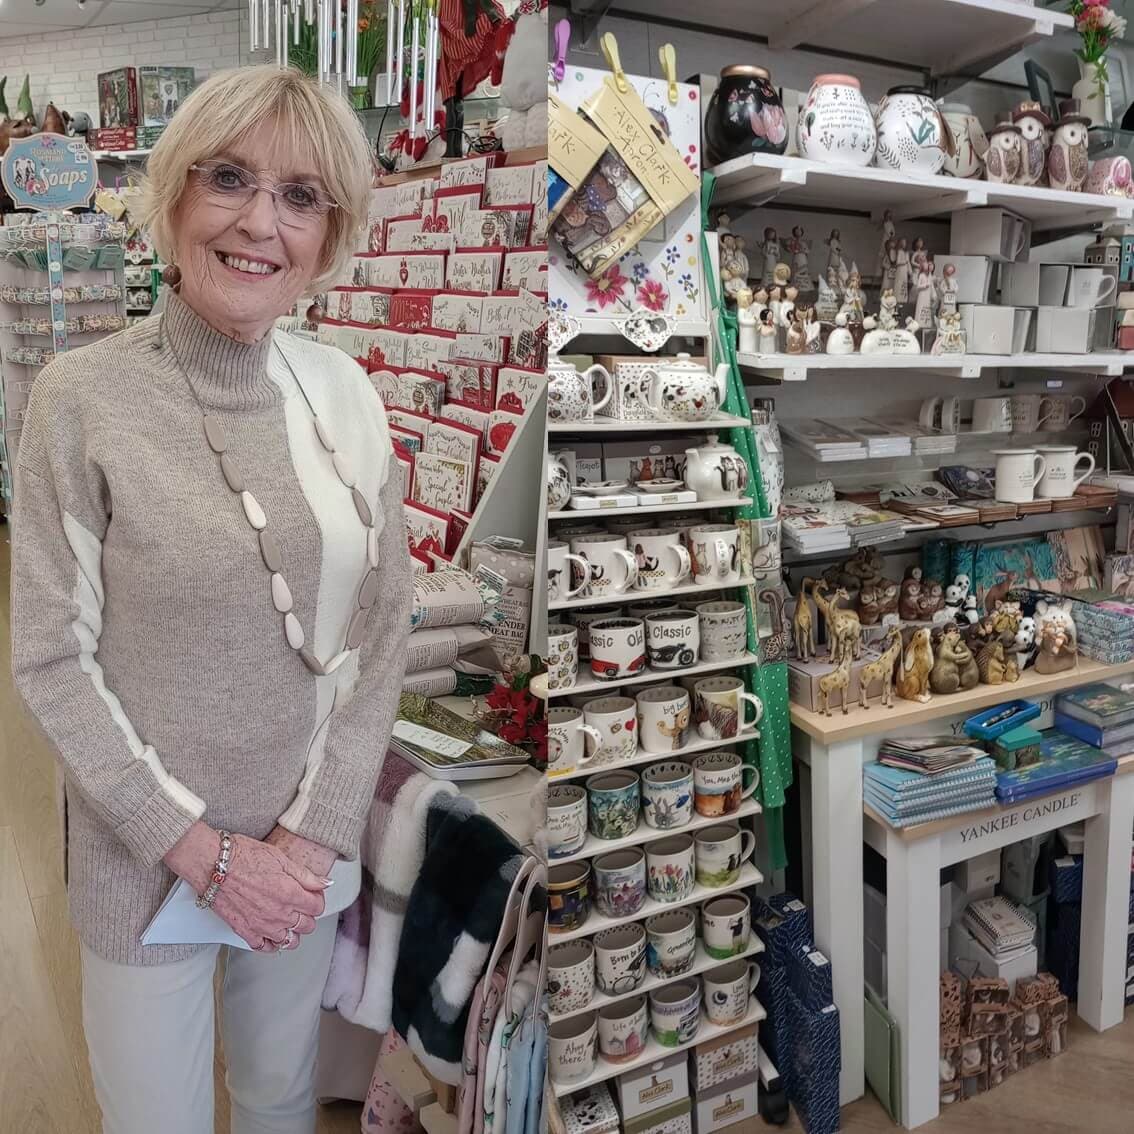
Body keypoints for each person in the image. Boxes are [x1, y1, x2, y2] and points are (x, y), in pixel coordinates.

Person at [10, 65, 413, 1134]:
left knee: (281, 1098)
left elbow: (382, 632)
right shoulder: (80, 400)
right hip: (147, 865)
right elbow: (51, 658)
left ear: (329, 236)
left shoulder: (347, 395)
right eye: (228, 177)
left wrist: (312, 841)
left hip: (302, 855)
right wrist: (205, 854)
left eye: (300, 195)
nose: (259, 223)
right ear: (174, 196)